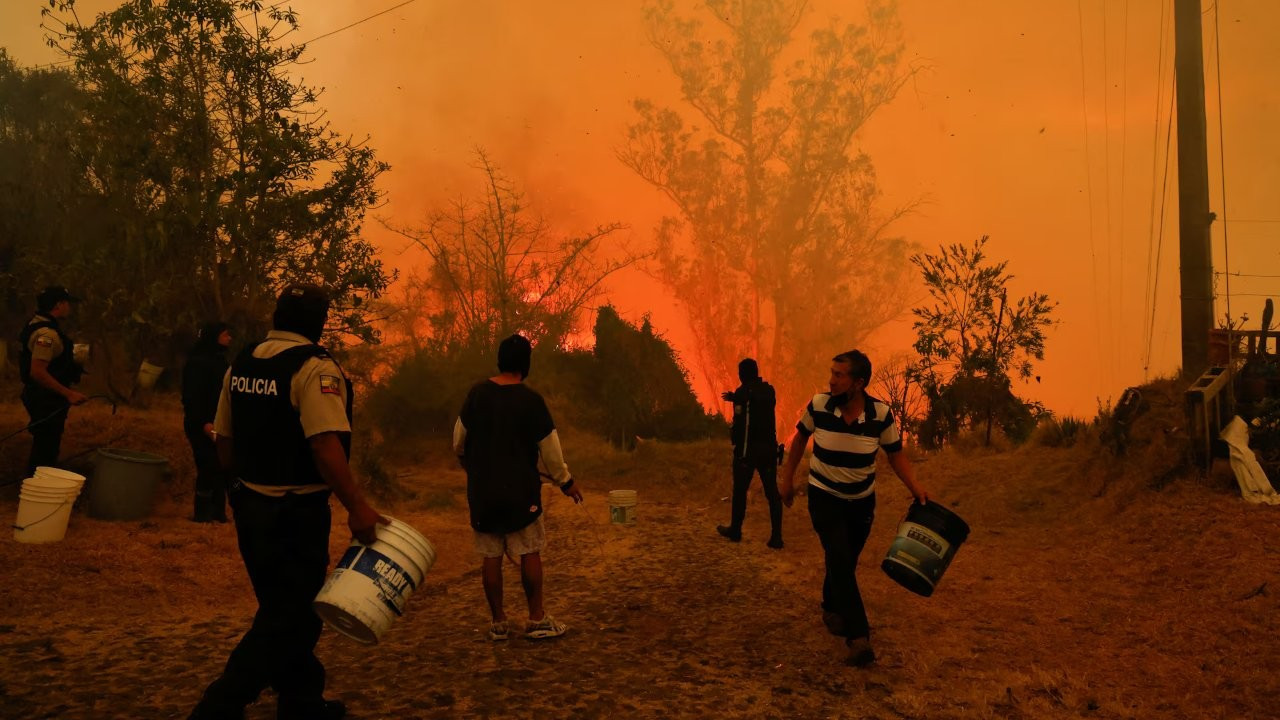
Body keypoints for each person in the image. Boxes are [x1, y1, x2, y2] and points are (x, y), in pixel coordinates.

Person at [189, 285, 386, 720]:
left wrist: (237, 488)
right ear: (318, 324)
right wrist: (357, 506)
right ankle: (220, 705)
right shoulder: (315, 368)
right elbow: (325, 447)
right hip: (295, 512)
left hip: (251, 507)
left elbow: (224, 440)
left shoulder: (241, 363)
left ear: (277, 317)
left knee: (284, 606)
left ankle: (301, 701)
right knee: (290, 615)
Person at [778, 349, 929, 667]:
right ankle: (859, 637)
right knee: (840, 557)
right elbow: (800, 439)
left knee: (844, 559)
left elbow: (895, 454)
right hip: (824, 497)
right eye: (831, 373)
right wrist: (787, 478)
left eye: (839, 375)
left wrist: (916, 489)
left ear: (858, 383)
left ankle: (830, 605)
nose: (831, 381)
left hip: (861, 503)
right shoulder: (819, 405)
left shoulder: (880, 415)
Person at [453, 333, 583, 642]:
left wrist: (471, 467)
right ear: (526, 364)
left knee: (491, 555)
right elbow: (551, 451)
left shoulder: (477, 395)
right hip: (521, 493)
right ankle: (536, 619)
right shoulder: (532, 401)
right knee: (529, 551)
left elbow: (459, 441)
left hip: (482, 492)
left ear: (499, 360)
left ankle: (498, 623)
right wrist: (566, 482)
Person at [17, 285, 88, 477]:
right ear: (59, 304)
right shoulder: (47, 335)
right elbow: (38, 372)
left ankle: (38, 488)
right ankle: (37, 492)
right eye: (67, 303)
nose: (69, 308)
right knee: (45, 450)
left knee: (46, 445)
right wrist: (69, 393)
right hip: (45, 399)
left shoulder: (38, 323)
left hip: (45, 397)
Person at [717, 358, 784, 549]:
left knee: (740, 491)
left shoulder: (742, 393)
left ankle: (736, 530)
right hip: (769, 450)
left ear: (742, 374)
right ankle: (776, 537)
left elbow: (741, 420)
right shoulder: (769, 391)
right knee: (772, 493)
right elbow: (756, 400)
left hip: (747, 452)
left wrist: (735, 398)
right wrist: (735, 397)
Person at [183, 322, 233, 523]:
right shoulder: (196, 363)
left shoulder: (221, 362)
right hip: (201, 424)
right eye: (225, 335)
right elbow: (191, 397)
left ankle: (218, 512)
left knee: (221, 466)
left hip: (219, 422)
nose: (229, 338)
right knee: (207, 465)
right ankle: (202, 512)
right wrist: (204, 423)